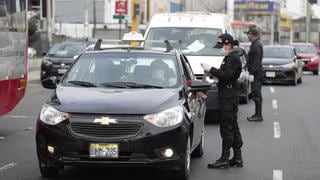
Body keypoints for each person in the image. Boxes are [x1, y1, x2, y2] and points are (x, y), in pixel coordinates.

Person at [201, 32, 243, 169]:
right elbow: (226, 76)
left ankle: (225, 158)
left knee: (227, 127)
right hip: (228, 93)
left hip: (228, 96)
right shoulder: (229, 57)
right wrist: (214, 76)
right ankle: (237, 158)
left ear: (229, 45)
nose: (220, 48)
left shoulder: (233, 58)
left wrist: (211, 69)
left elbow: (227, 74)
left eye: (222, 45)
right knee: (233, 126)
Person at [245, 26, 264, 121]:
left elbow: (256, 61)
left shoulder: (256, 45)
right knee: (255, 94)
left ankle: (258, 115)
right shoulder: (254, 44)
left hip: (256, 73)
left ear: (252, 35)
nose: (247, 36)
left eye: (248, 34)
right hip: (255, 72)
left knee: (257, 94)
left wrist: (251, 72)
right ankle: (256, 114)